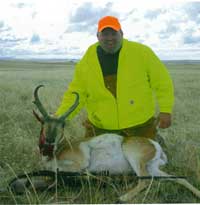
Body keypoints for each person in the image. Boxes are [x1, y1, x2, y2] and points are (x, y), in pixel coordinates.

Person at [56, 16, 174, 140]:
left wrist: (166, 110)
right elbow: (77, 93)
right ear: (97, 36)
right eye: (105, 34)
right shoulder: (87, 61)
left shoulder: (142, 53)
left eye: (114, 33)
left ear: (121, 34)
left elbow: (162, 82)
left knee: (156, 158)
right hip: (101, 128)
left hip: (140, 126)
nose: (110, 38)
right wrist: (60, 116)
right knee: (86, 158)